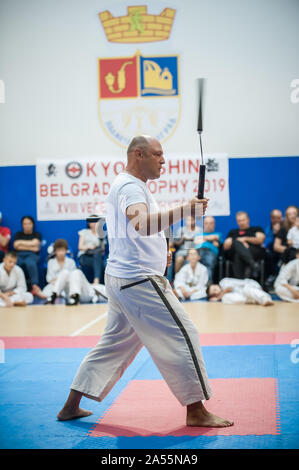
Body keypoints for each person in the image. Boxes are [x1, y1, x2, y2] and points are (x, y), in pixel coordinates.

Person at [57, 135, 233, 428]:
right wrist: (186, 209)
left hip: (122, 278)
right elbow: (141, 224)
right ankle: (196, 411)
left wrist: (163, 248)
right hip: (138, 280)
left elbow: (142, 226)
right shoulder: (129, 186)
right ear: (138, 154)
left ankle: (70, 406)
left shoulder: (133, 186)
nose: (163, 160)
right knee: (183, 334)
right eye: (157, 154)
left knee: (113, 345)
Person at [223, 211, 265, 279]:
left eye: (243, 220)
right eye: (239, 221)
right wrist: (240, 244)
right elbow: (225, 246)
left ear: (248, 219)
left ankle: (239, 281)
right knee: (237, 250)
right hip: (236, 254)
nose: (241, 223)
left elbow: (260, 240)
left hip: (253, 252)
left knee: (238, 252)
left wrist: (245, 239)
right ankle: (253, 265)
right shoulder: (233, 232)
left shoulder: (256, 229)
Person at [13, 215, 45, 299]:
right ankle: (16, 288)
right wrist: (31, 246)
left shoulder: (36, 234)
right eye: (25, 224)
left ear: (32, 224)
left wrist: (21, 243)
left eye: (29, 223)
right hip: (19, 255)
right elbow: (16, 246)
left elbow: (36, 245)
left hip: (32, 255)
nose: (27, 225)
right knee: (16, 264)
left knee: (30, 263)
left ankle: (35, 286)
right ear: (22, 225)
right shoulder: (18, 234)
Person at [78, 215, 106, 284]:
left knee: (98, 255)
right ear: (88, 223)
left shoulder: (101, 234)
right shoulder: (84, 232)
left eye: (96, 221)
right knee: (99, 262)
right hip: (85, 256)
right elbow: (80, 247)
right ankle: (97, 281)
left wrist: (98, 248)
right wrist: (88, 247)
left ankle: (96, 280)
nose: (94, 223)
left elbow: (103, 249)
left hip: (97, 256)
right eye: (92, 221)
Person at [207, 277, 273, 306]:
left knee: (246, 290)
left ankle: (265, 299)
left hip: (250, 286)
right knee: (226, 298)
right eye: (214, 294)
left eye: (215, 289)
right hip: (244, 296)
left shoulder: (223, 282)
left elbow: (229, 289)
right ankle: (254, 300)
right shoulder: (224, 296)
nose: (216, 292)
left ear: (216, 285)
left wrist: (218, 298)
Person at [194, 216, 222, 281]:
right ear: (203, 224)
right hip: (197, 252)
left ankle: (207, 287)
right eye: (206, 223)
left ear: (214, 224)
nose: (208, 225)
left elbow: (217, 237)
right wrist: (211, 239)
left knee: (207, 267)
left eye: (211, 223)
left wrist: (203, 239)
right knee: (190, 263)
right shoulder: (198, 234)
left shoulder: (218, 234)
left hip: (210, 252)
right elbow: (196, 241)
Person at [264, 209, 283, 290]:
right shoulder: (269, 228)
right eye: (274, 218)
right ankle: (273, 276)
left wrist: (279, 233)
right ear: (271, 218)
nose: (277, 220)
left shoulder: (285, 227)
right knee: (267, 255)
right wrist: (275, 234)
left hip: (284, 251)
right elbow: (266, 243)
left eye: (279, 218)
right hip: (272, 252)